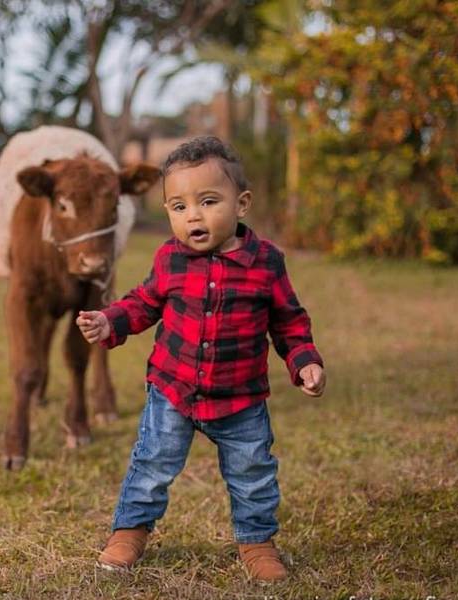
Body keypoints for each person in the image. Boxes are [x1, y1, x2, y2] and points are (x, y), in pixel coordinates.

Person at [76, 136, 326, 584]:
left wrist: (304, 360)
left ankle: (256, 541)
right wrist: (111, 322)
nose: (193, 215)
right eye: (178, 206)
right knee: (152, 463)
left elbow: (289, 322)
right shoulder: (170, 259)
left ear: (241, 203)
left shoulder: (266, 263)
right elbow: (143, 302)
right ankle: (130, 530)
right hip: (173, 391)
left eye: (208, 201)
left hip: (241, 398)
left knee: (252, 472)